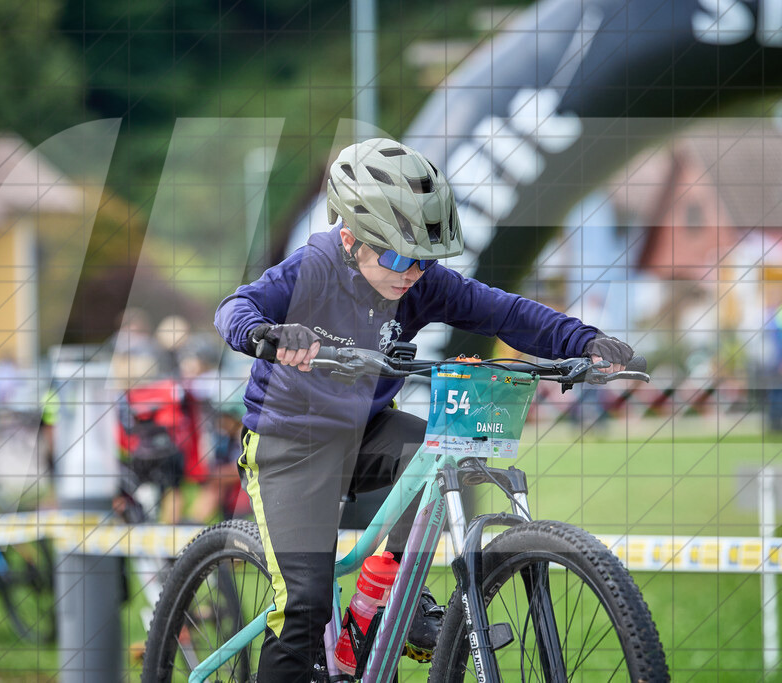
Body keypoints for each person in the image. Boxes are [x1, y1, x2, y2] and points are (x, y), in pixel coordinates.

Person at [214, 138, 633, 680]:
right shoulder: (313, 268)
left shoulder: (421, 283)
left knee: (437, 455)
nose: (411, 272)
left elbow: (505, 312)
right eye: (395, 257)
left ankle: (385, 600)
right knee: (304, 608)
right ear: (350, 240)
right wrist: (265, 332)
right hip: (290, 445)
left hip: (365, 431)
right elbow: (234, 308)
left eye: (422, 261)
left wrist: (584, 340)